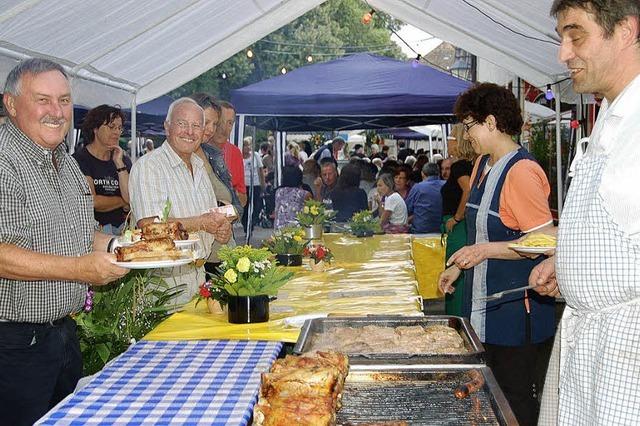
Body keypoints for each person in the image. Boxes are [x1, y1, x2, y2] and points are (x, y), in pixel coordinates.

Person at [0, 58, 129, 426]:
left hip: (63, 337)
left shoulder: (66, 162)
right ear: (11, 104)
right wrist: (80, 269)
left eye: (64, 100)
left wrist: (126, 248)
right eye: (43, 99)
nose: (56, 112)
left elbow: (81, 232)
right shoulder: (3, 160)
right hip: (13, 346)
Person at [531, 2, 640, 425]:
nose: (563, 54)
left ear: (626, 31)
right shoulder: (613, 113)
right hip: (593, 342)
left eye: (576, 36)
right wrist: (572, 265)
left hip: (627, 356)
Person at [438, 83, 555, 425]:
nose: (465, 134)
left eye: (469, 125)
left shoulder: (521, 172)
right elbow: (477, 232)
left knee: (514, 400)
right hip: (481, 308)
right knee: (485, 396)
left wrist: (485, 250)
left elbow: (545, 241)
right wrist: (459, 266)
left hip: (515, 314)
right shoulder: (479, 166)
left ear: (491, 122)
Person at [129, 98, 232, 307]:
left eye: (196, 126)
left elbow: (211, 216)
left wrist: (222, 229)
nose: (189, 131)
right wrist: (201, 223)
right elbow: (150, 228)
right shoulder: (150, 167)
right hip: (164, 288)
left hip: (199, 280)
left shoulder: (199, 167)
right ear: (167, 126)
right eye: (182, 124)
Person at [73, 105, 131, 235]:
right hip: (92, 233)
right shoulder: (79, 160)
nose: (116, 132)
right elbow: (92, 201)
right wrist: (123, 201)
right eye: (111, 127)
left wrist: (119, 164)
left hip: (123, 231)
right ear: (95, 128)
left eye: (119, 128)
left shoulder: (122, 159)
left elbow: (130, 196)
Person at [440, 123, 476, 316]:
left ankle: (457, 316)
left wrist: (457, 217)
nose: (449, 141)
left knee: (455, 268)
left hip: (458, 226)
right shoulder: (467, 164)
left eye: (452, 137)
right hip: (460, 225)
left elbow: (468, 190)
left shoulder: (459, 166)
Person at [212, 101, 247, 207]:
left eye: (229, 123)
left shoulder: (235, 152)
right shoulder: (196, 147)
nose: (224, 128)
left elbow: (243, 198)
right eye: (220, 121)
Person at [405, 163, 445, 234]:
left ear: (422, 174)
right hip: (442, 229)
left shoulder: (417, 188)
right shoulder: (445, 185)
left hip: (420, 230)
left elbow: (408, 208)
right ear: (439, 173)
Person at [242, 136, 265, 233]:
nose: (248, 147)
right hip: (244, 186)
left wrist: (262, 184)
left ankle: (253, 221)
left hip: (255, 185)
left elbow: (260, 170)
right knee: (245, 207)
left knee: (256, 205)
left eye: (249, 145)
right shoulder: (239, 156)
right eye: (245, 146)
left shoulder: (255, 155)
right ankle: (246, 224)